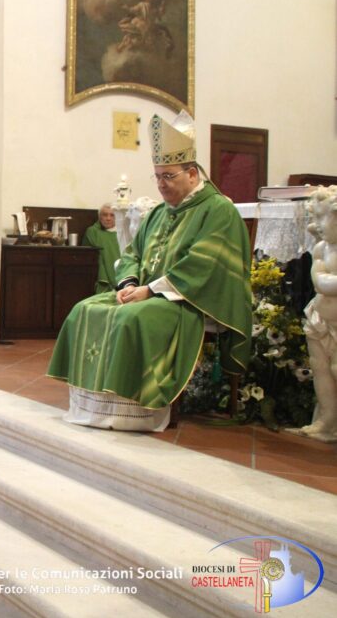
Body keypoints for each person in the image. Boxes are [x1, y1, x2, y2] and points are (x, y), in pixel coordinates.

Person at [47, 113, 252, 432]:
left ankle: (136, 410)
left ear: (193, 173)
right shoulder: (159, 213)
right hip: (147, 293)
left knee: (132, 319)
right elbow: (132, 253)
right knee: (83, 309)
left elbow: (204, 265)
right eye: (157, 176)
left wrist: (151, 290)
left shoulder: (218, 211)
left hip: (187, 301)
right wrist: (129, 282)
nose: (160, 184)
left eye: (168, 176)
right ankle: (93, 406)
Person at [292, 186, 337, 441]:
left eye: (322, 218)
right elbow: (320, 283)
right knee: (320, 368)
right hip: (319, 318)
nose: (317, 225)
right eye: (315, 218)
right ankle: (326, 420)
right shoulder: (322, 249)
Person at [82, 203, 122, 293]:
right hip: (98, 279)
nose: (108, 218)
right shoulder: (93, 232)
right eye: (105, 215)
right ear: (99, 217)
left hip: (122, 278)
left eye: (112, 215)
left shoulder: (122, 233)